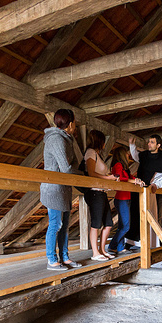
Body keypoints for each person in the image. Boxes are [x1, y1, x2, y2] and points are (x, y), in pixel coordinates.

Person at [40, 108, 83, 271]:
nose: (75, 126)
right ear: (71, 124)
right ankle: (52, 260)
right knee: (55, 224)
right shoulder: (57, 139)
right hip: (53, 188)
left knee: (64, 225)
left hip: (63, 189)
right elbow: (65, 168)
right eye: (75, 123)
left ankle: (64, 257)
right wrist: (83, 175)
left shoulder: (66, 138)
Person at [124, 134, 162, 250]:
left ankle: (149, 242)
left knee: (149, 216)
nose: (149, 144)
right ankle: (131, 241)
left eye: (152, 142)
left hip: (149, 192)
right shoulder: (145, 155)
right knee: (134, 215)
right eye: (149, 142)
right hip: (137, 190)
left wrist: (157, 184)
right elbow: (136, 157)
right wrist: (132, 145)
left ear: (158, 145)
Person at [82, 130, 120, 261]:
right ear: (100, 141)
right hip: (94, 192)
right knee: (96, 223)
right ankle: (95, 253)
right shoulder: (90, 152)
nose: (105, 144)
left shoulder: (98, 155)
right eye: (104, 141)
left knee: (108, 223)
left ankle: (102, 250)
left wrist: (110, 179)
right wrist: (108, 177)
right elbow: (91, 173)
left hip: (102, 192)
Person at [107, 144, 144, 255]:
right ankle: (112, 246)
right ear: (122, 154)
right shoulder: (118, 165)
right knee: (125, 226)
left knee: (123, 225)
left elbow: (129, 177)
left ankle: (120, 247)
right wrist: (132, 180)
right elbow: (119, 177)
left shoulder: (124, 167)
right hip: (121, 198)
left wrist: (136, 179)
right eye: (127, 154)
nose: (128, 155)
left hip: (126, 198)